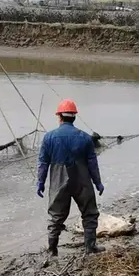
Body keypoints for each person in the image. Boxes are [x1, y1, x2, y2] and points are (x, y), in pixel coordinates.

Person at [37, 99, 105, 256]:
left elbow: (43, 162)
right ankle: (90, 247)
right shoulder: (85, 138)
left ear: (59, 117)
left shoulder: (49, 137)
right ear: (74, 117)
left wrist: (40, 182)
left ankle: (52, 250)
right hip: (82, 180)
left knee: (56, 216)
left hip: (58, 181)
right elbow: (92, 163)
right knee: (89, 213)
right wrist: (98, 183)